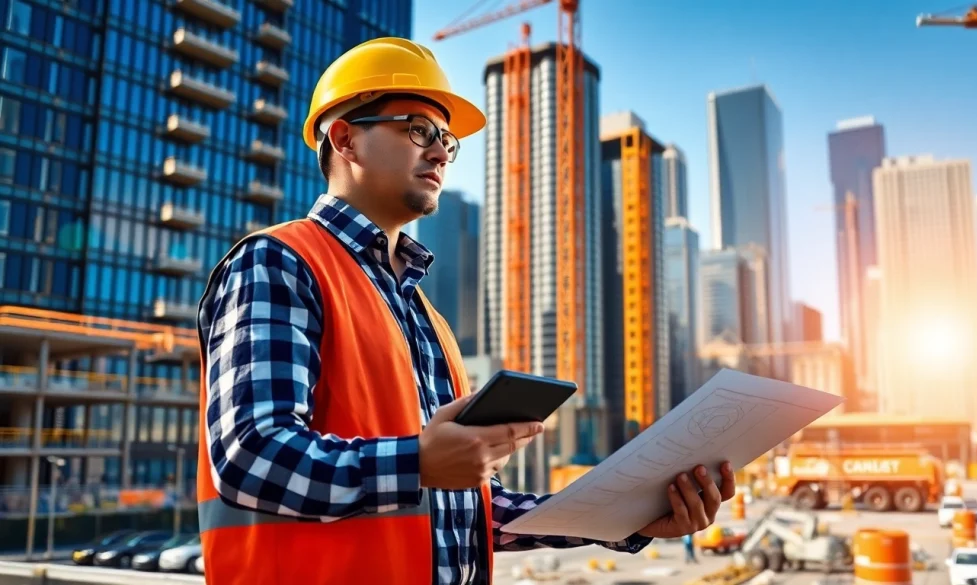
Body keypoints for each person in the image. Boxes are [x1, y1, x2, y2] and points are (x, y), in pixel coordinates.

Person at [194, 37, 736, 585]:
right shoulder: (277, 262)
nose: (438, 154)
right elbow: (250, 456)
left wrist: (628, 518)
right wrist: (417, 463)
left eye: (446, 142)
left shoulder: (427, 318)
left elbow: (469, 512)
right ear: (345, 139)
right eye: (418, 130)